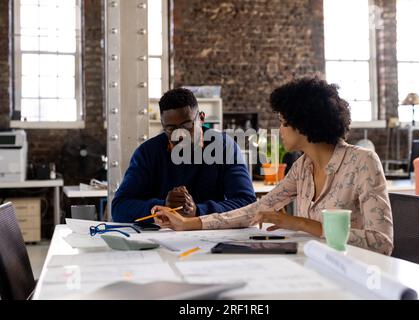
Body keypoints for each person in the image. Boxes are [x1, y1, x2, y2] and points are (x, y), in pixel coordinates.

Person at [153, 77, 394, 256]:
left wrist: (301, 223)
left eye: (282, 123)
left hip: (357, 275)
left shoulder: (363, 162)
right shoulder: (302, 168)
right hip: (317, 266)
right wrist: (187, 223)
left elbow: (382, 242)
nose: (279, 130)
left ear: (302, 124)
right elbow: (255, 210)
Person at [112, 88, 256, 223]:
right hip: (161, 238)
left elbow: (247, 202)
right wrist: (164, 208)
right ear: (163, 126)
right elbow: (119, 207)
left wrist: (198, 211)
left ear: (201, 119)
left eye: (187, 126)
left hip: (210, 235)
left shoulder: (224, 147)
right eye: (171, 129)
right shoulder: (148, 153)